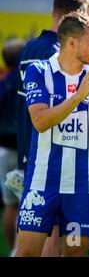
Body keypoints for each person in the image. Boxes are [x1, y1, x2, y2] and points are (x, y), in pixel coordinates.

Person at [15, 12, 89, 257]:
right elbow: (40, 122)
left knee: (75, 253)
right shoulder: (39, 71)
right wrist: (77, 97)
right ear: (72, 42)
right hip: (43, 182)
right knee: (27, 253)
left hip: (81, 186)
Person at [15, 0, 87, 257]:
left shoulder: (29, 48)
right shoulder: (58, 56)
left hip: (29, 152)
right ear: (77, 17)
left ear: (52, 11)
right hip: (52, 160)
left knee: (30, 238)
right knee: (53, 240)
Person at [0, 38, 24, 255]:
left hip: (3, 151)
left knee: (10, 204)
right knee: (22, 203)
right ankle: (18, 250)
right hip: (19, 151)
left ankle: (12, 250)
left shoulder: (2, 82)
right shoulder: (22, 82)